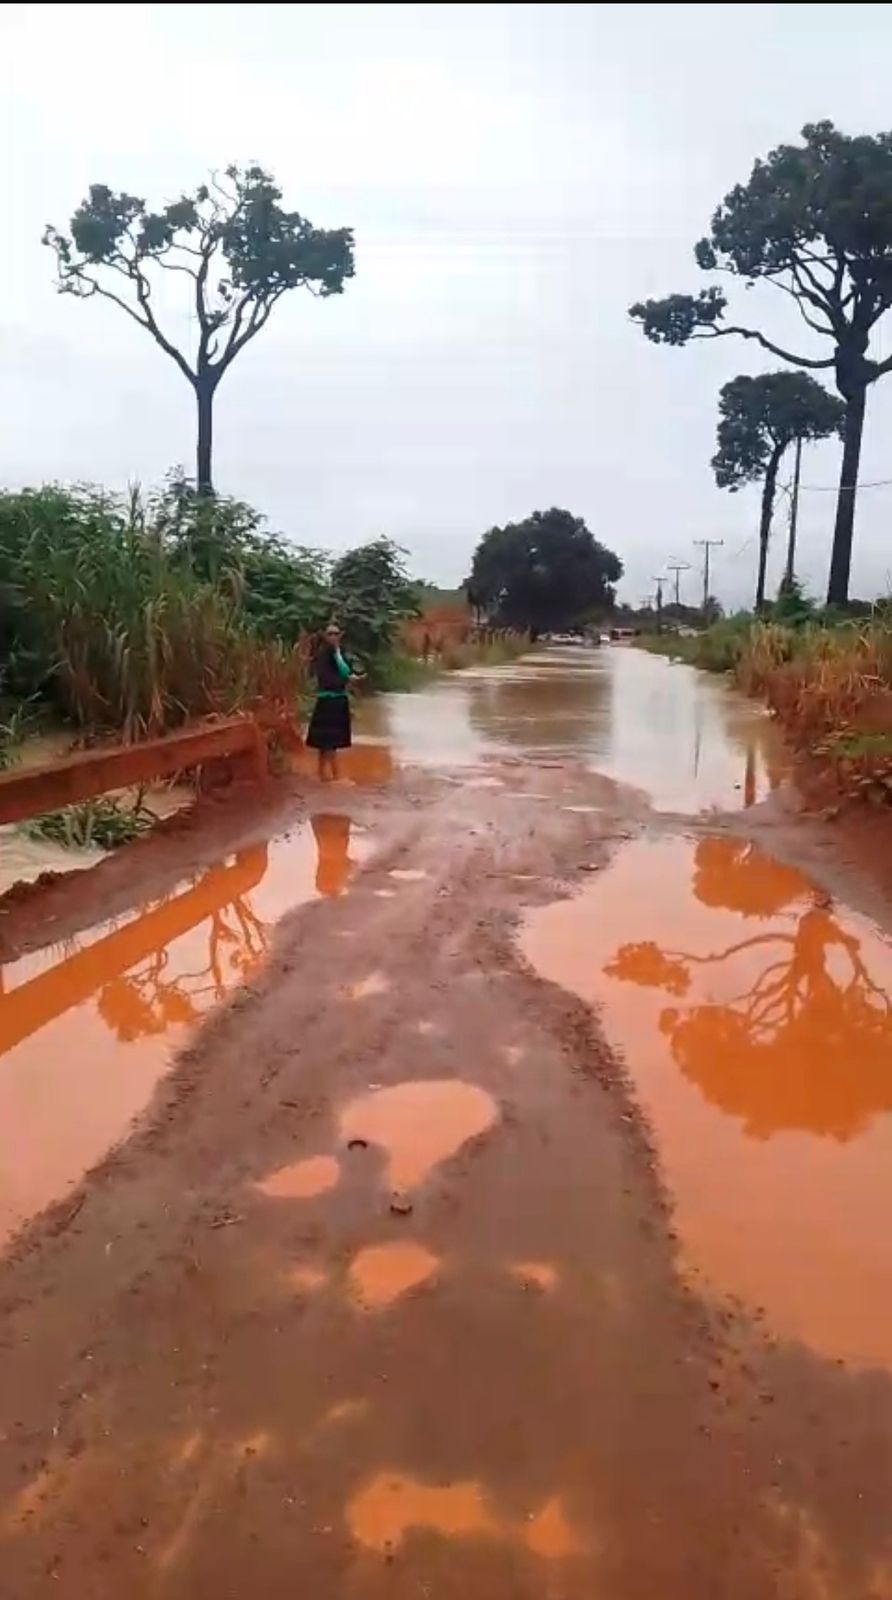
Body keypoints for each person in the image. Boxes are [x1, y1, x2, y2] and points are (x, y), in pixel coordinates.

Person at [306, 621, 362, 780]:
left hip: (338, 700)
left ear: (340, 636)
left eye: (336, 633)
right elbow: (328, 678)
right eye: (330, 634)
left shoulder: (340, 653)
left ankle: (323, 775)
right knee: (327, 742)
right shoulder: (323, 655)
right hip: (328, 700)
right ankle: (335, 776)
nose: (333, 636)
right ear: (325, 636)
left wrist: (348, 677)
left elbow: (345, 671)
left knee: (328, 742)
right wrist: (347, 679)